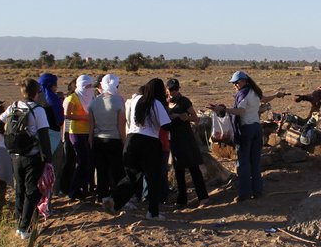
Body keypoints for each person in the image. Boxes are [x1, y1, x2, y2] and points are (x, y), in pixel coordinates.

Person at [208, 71, 286, 203]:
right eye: (233, 83)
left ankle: (244, 193)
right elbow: (265, 99)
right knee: (255, 162)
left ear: (244, 81)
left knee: (243, 163)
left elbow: (241, 111)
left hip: (246, 130)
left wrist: (223, 110)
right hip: (256, 128)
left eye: (237, 82)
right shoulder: (254, 92)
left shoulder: (243, 94)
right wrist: (276, 95)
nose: (235, 85)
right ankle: (257, 191)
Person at [107, 78, 171, 220]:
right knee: (153, 178)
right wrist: (178, 119)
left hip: (131, 140)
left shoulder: (135, 100)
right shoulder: (156, 103)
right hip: (149, 143)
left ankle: (114, 199)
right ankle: (152, 212)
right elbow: (166, 126)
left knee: (132, 175)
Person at [0, 78, 52, 239]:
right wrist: (47, 159)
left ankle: (19, 224)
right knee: (32, 191)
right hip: (32, 156)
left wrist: (11, 138)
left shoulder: (13, 106)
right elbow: (44, 135)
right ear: (37, 92)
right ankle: (25, 227)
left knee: (20, 190)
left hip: (15, 155)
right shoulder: (38, 110)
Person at [165, 78, 210, 208]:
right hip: (174, 139)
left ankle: (203, 198)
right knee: (178, 170)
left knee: (193, 168)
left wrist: (184, 117)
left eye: (174, 89)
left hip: (186, 139)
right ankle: (181, 200)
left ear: (178, 89)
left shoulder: (184, 101)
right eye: (170, 90)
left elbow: (196, 118)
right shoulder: (166, 103)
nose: (172, 92)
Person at [87, 74, 125, 205]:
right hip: (114, 140)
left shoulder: (94, 102)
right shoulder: (118, 101)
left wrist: (90, 141)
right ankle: (118, 197)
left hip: (98, 140)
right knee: (117, 170)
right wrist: (124, 142)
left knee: (101, 170)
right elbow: (121, 125)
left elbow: (91, 126)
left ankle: (101, 196)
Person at [62, 74, 95, 200]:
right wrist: (84, 118)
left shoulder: (90, 97)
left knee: (87, 162)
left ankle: (83, 188)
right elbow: (67, 115)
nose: (89, 88)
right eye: (86, 86)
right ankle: (74, 190)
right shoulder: (73, 98)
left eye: (90, 85)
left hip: (87, 132)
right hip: (75, 132)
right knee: (82, 161)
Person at [36, 73, 65, 194]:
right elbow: (59, 120)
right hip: (53, 136)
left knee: (40, 171)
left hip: (38, 137)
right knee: (54, 169)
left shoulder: (36, 99)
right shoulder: (54, 99)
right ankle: (50, 197)